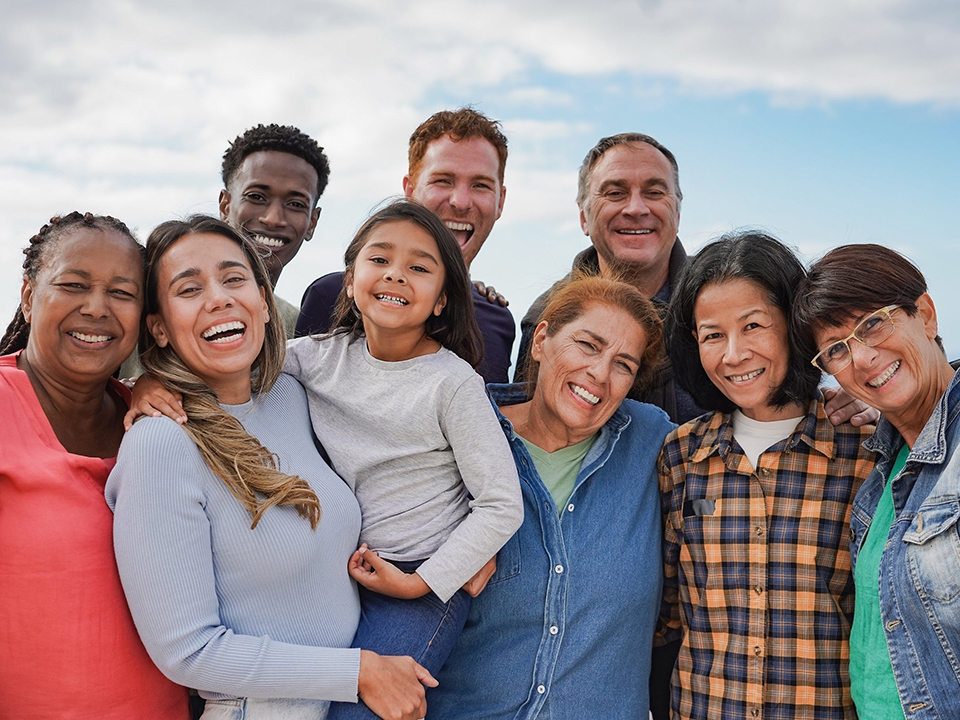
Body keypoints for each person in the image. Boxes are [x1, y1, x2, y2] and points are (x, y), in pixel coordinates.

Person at [106, 215, 435, 720]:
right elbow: (187, 652)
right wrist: (356, 672)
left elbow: (399, 455)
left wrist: (464, 544)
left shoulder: (292, 395)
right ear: (160, 328)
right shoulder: (160, 445)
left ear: (263, 301)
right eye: (189, 289)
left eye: (234, 278)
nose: (218, 298)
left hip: (350, 703)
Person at [427, 275, 676, 719]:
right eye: (588, 345)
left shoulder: (653, 442)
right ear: (541, 339)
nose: (600, 374)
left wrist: (841, 401)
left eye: (624, 364)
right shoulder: (460, 432)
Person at [657, 232, 876, 720]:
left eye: (753, 326)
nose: (733, 354)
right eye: (713, 334)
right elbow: (668, 609)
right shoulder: (680, 456)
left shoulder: (863, 450)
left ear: (794, 326)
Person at [0, 212, 189, 719]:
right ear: (27, 294)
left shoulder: (159, 422)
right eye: (73, 285)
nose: (97, 308)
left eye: (123, 293)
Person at [793, 244, 960, 719]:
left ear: (925, 315)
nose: (863, 359)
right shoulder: (883, 467)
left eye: (873, 323)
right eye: (836, 351)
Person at [296, 107, 515, 383]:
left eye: (480, 185)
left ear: (500, 201)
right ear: (410, 191)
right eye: (443, 181)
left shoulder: (498, 321)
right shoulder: (330, 297)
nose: (460, 201)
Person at [220, 123, 331, 337]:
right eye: (256, 197)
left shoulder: (297, 332)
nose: (273, 219)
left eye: (296, 204)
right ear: (225, 205)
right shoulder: (154, 306)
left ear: (312, 223)